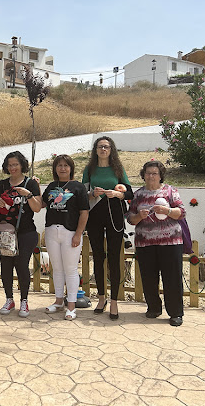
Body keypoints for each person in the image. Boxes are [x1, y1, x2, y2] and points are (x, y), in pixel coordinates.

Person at [127, 160, 186, 327]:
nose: (151, 176)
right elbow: (130, 218)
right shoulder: (138, 195)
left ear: (160, 176)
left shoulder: (170, 191)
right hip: (145, 243)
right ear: (143, 175)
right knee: (148, 277)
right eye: (148, 173)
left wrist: (167, 211)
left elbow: (181, 212)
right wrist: (139, 216)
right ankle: (153, 308)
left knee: (172, 278)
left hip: (170, 242)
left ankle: (175, 313)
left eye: (154, 173)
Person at [82, 136, 133, 320]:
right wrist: (92, 193)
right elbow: (82, 194)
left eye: (107, 147)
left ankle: (114, 301)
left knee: (113, 256)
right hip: (95, 213)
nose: (103, 149)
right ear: (95, 150)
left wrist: (118, 193)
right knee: (97, 256)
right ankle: (101, 298)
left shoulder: (118, 169)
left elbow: (129, 193)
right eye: (100, 146)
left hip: (114, 214)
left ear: (112, 150)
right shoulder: (89, 169)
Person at [0, 151, 42, 318]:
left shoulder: (31, 184)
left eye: (15, 164)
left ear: (22, 165)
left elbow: (37, 208)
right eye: (9, 165)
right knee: (6, 266)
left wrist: (27, 194)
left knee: (22, 265)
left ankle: (24, 300)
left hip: (26, 231)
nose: (12, 167)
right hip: (5, 230)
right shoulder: (2, 184)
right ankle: (9, 299)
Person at [42, 155, 89, 320]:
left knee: (70, 270)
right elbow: (40, 203)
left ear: (71, 168)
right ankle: (59, 301)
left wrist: (78, 234)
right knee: (57, 268)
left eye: (65, 165)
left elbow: (84, 212)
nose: (62, 168)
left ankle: (71, 306)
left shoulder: (78, 187)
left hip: (70, 233)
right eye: (59, 165)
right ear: (55, 169)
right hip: (51, 232)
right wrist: (32, 187)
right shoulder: (51, 186)